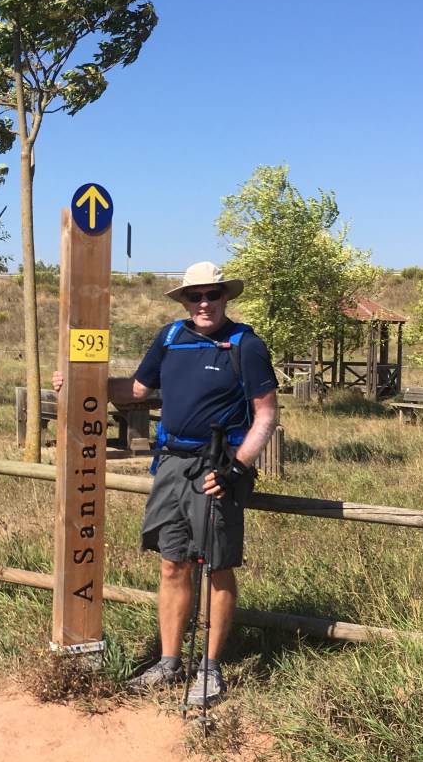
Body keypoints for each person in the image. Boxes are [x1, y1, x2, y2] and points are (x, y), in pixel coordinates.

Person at [54, 260, 279, 710]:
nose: (204, 303)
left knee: (216, 567)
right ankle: (170, 661)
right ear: (184, 300)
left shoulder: (245, 344)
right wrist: (81, 383)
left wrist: (237, 468)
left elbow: (266, 413)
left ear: (225, 297)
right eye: (195, 295)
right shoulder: (171, 338)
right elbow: (136, 391)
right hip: (171, 465)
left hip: (217, 469)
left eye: (212, 294)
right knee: (172, 563)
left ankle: (210, 668)